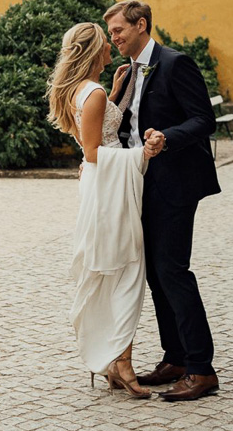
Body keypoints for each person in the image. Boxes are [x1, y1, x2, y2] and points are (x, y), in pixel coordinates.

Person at [104, 0, 221, 401]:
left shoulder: (175, 62)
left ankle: (202, 369)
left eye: (118, 30)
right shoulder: (131, 71)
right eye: (111, 32)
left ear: (141, 25)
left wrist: (168, 137)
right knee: (155, 274)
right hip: (140, 183)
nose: (114, 38)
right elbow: (126, 129)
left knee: (173, 270)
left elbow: (204, 119)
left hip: (175, 182)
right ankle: (176, 358)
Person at [47, 22, 162, 398]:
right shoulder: (92, 94)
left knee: (116, 269)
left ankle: (117, 358)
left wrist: (112, 95)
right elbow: (95, 151)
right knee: (127, 270)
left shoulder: (79, 91)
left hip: (101, 186)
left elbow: (90, 139)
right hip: (111, 186)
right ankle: (122, 362)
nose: (112, 49)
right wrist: (141, 155)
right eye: (106, 45)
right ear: (95, 52)